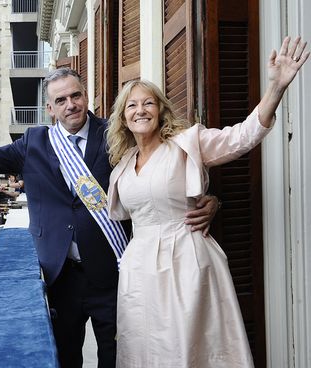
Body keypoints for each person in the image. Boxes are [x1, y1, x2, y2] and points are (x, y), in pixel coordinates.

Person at [0, 67, 218, 367]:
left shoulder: (117, 134)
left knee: (117, 357)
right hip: (60, 275)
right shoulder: (33, 142)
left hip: (113, 272)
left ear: (86, 96)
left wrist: (211, 199)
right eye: (61, 100)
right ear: (50, 108)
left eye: (76, 95)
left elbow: (170, 163)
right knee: (65, 357)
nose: (71, 104)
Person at [105, 36, 308, 367]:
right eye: (132, 105)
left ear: (160, 110)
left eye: (148, 103)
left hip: (186, 261)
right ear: (123, 118)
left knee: (187, 348)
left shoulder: (188, 143)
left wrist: (276, 88)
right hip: (139, 270)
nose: (140, 110)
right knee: (142, 350)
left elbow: (242, 137)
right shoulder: (123, 164)